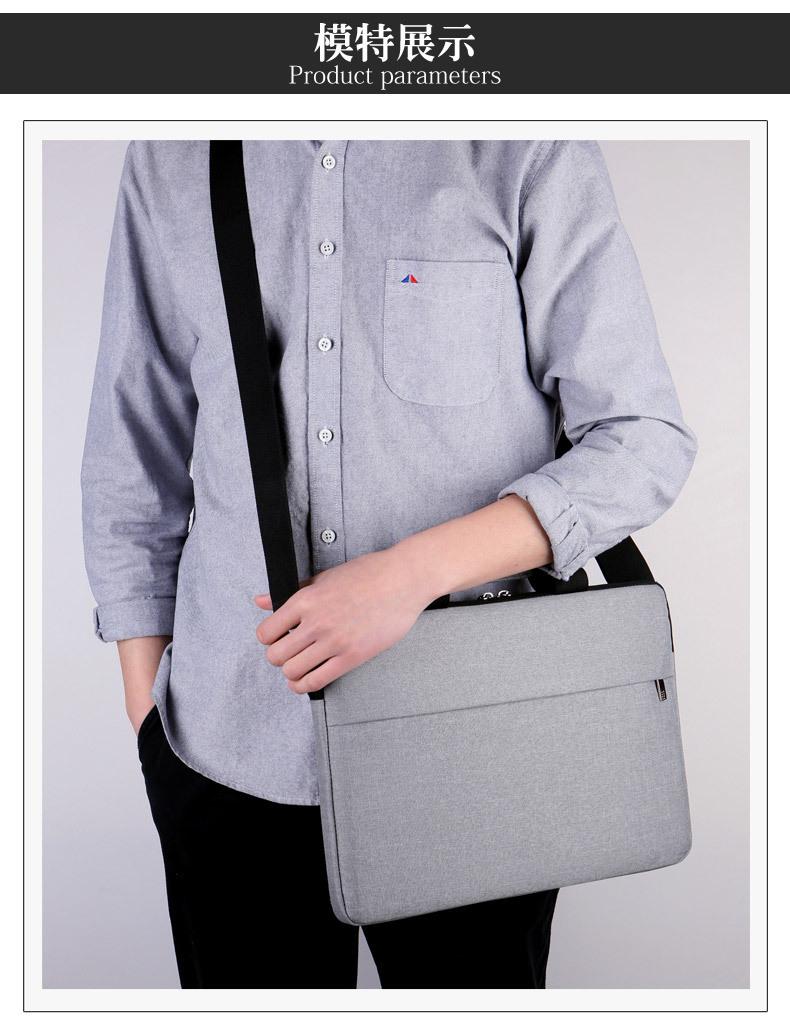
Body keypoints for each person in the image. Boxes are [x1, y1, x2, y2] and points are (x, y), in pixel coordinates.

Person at [81, 139, 696, 990]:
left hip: (473, 760)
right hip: (226, 750)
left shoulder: (524, 144)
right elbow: (131, 447)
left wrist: (408, 576)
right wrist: (148, 713)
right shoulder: (173, 154)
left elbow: (640, 440)